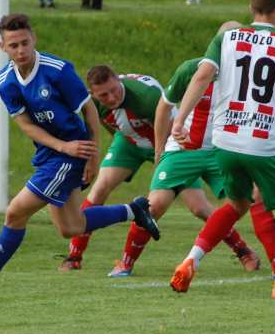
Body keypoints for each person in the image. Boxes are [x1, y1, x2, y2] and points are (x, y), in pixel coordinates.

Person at [0, 15, 160, 286]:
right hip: (53, 151)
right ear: (3, 46)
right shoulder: (5, 80)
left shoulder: (58, 70)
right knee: (70, 227)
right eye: (13, 45)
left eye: (25, 43)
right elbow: (24, 123)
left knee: (15, 212)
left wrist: (92, 157)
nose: (21, 50)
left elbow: (89, 110)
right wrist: (59, 145)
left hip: (71, 154)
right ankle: (134, 211)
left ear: (34, 38)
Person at [169, 0, 275, 300]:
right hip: (264, 141)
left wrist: (179, 120)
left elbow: (202, 76)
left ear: (250, 8)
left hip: (225, 141)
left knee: (236, 203)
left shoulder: (226, 38)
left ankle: (191, 260)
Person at [60, 66, 258, 273]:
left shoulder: (145, 96)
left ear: (118, 80)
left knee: (199, 207)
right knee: (99, 188)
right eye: (103, 95)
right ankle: (74, 256)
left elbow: (172, 126)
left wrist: (162, 154)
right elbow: (108, 127)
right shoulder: (92, 104)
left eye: (114, 90)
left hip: (167, 142)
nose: (111, 97)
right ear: (93, 94)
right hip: (130, 142)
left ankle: (243, 250)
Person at [106, 22, 264, 278]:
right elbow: (163, 107)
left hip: (220, 152)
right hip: (182, 150)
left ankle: (261, 257)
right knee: (153, 206)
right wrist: (159, 151)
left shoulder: (248, 74)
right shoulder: (192, 69)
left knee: (239, 204)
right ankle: (125, 263)